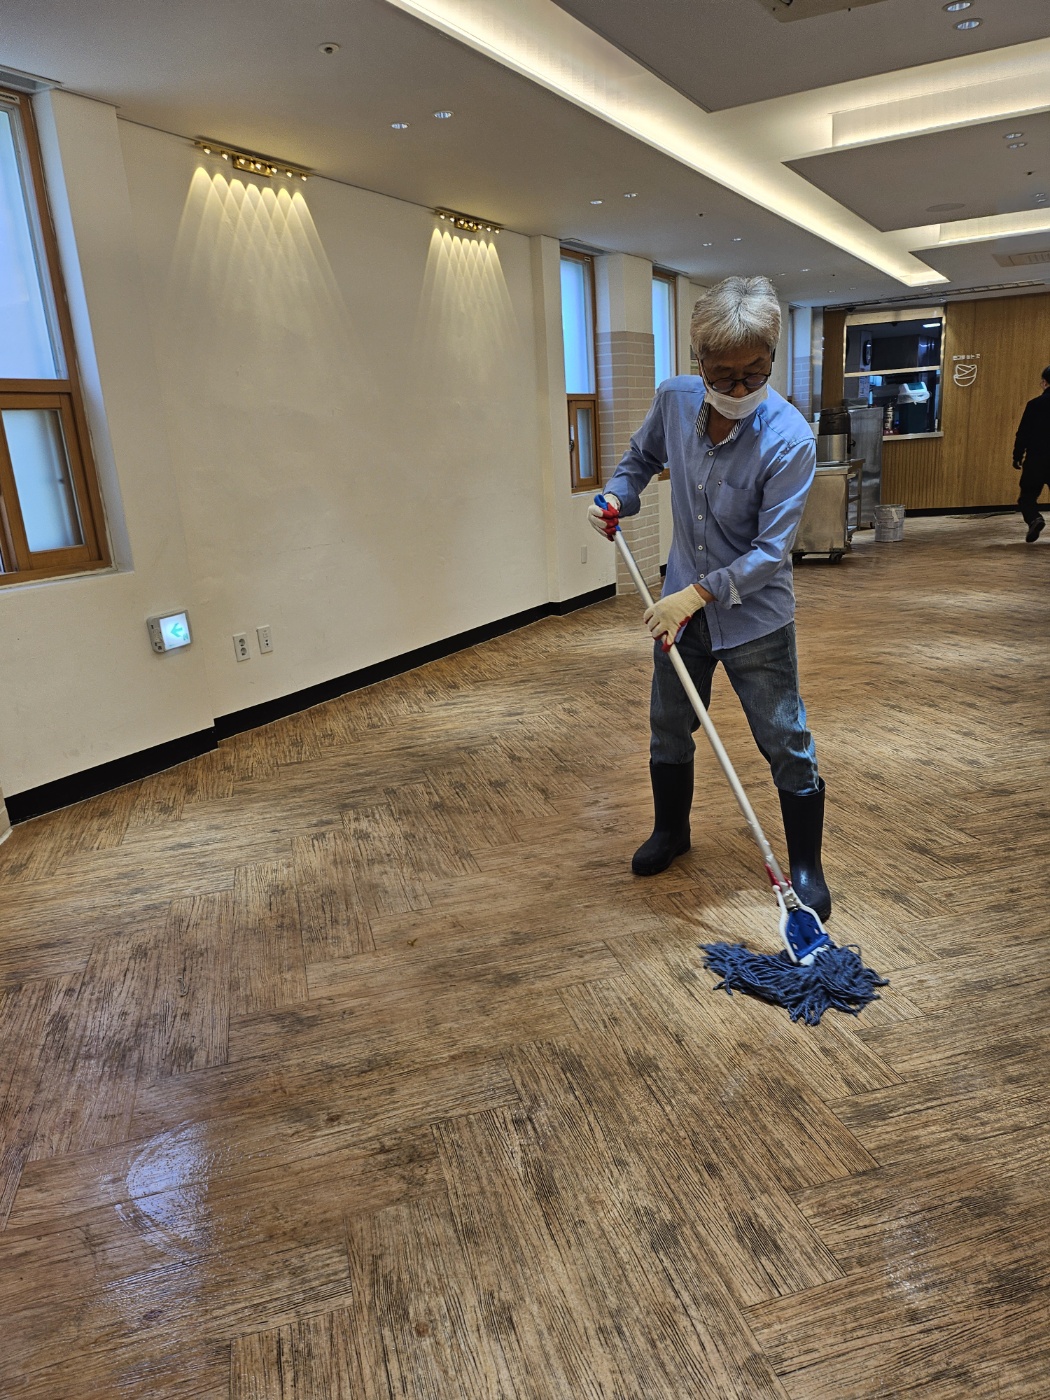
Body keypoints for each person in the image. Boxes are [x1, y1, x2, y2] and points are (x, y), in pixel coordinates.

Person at [587, 275, 830, 919]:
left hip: (755, 620)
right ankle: (672, 831)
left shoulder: (789, 439)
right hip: (681, 615)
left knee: (784, 737)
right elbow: (639, 460)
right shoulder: (674, 400)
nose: (740, 389)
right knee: (669, 727)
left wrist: (696, 594)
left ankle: (806, 865)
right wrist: (616, 496)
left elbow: (770, 554)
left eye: (755, 373)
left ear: (771, 357)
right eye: (724, 376)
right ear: (699, 361)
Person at [1013, 365, 1050, 543]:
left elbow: (1023, 433)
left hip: (1037, 459)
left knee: (1027, 497)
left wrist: (1017, 455)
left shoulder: (1035, 405)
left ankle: (1035, 518)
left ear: (1044, 383)